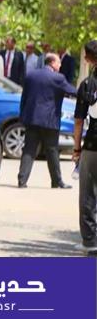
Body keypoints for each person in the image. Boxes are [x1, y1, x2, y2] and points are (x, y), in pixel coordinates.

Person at [17, 53, 77, 189]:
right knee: (52, 151)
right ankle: (57, 181)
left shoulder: (31, 75)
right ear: (52, 63)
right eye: (59, 63)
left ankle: (22, 180)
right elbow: (73, 92)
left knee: (29, 150)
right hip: (49, 120)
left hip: (32, 119)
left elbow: (24, 97)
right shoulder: (58, 78)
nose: (60, 65)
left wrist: (23, 116)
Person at [73, 40, 97, 255]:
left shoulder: (88, 84)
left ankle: (90, 240)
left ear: (89, 59)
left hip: (93, 146)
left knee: (88, 194)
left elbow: (79, 121)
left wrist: (76, 149)